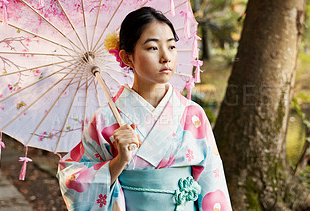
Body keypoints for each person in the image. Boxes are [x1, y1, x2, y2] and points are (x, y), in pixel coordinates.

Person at [57, 7, 232, 211]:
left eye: (171, 46)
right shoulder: (105, 119)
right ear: (127, 57)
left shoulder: (193, 114)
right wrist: (119, 161)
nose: (166, 57)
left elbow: (213, 183)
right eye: (152, 48)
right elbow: (73, 179)